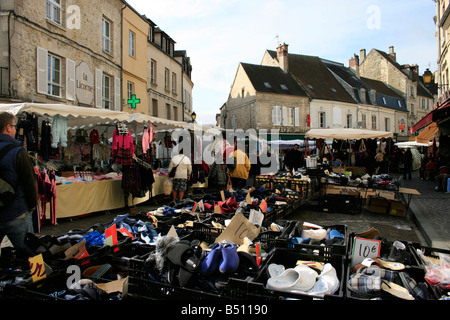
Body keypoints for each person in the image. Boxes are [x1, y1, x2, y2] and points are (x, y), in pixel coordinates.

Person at [0, 111, 37, 256]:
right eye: (15, 127)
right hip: (16, 211)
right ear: (8, 127)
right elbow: (29, 181)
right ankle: (38, 279)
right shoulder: (17, 151)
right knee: (30, 256)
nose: (16, 130)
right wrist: (32, 205)